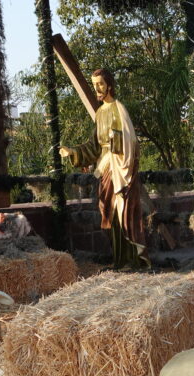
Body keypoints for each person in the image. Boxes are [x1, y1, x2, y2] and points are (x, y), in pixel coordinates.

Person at [60, 68, 149, 269]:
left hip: (120, 170)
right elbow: (93, 146)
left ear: (109, 84)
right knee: (107, 212)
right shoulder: (100, 113)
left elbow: (131, 142)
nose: (98, 88)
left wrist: (114, 142)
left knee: (123, 214)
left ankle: (132, 260)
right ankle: (119, 259)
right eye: (95, 85)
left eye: (100, 84)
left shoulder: (119, 109)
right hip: (105, 168)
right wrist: (72, 152)